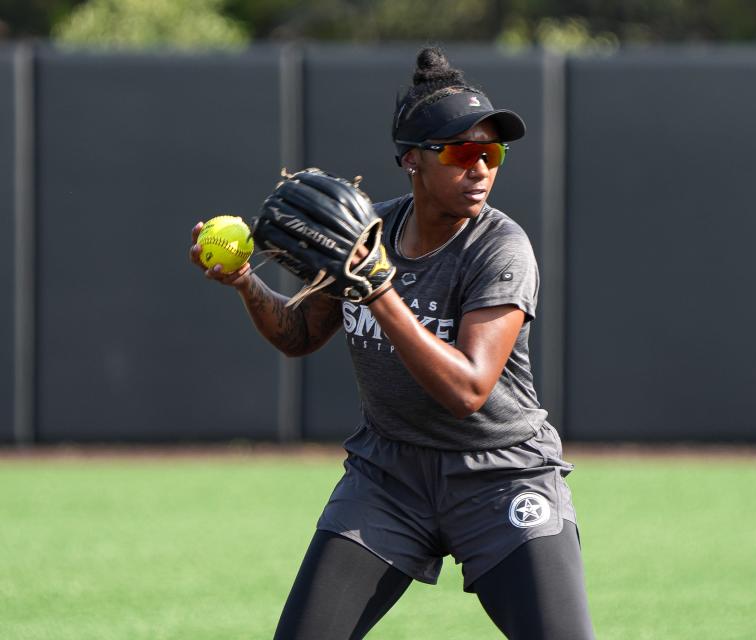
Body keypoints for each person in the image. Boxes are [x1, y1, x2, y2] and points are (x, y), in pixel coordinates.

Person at [189, 46, 595, 640]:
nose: (480, 168)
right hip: (389, 477)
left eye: (493, 153)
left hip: (500, 475)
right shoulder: (365, 230)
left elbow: (468, 390)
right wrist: (246, 282)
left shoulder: (500, 248)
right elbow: (299, 336)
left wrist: (379, 288)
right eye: (461, 152)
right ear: (412, 159)